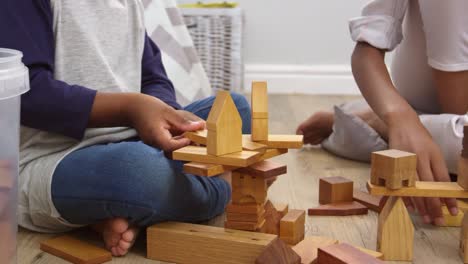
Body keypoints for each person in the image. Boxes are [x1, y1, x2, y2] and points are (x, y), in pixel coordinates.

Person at [0, 0, 251, 256]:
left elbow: (153, 77)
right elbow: (30, 92)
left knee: (235, 108)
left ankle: (118, 209)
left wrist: (168, 115)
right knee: (138, 173)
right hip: (53, 160)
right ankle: (234, 186)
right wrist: (130, 109)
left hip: (133, 136)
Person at [297, 0, 468, 226]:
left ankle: (375, 123)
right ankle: (390, 122)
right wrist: (398, 115)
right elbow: (367, 48)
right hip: (437, 100)